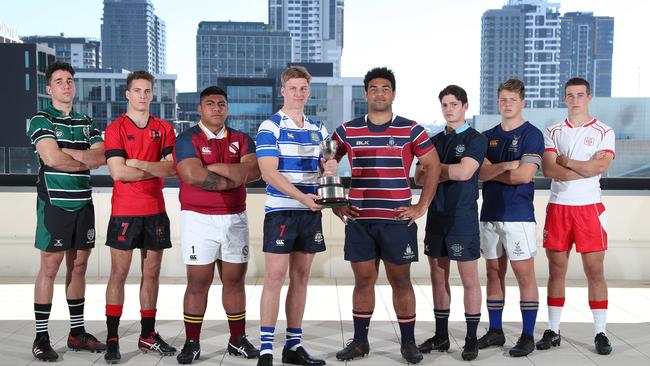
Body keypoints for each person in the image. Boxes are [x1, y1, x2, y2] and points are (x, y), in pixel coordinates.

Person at [331, 67, 441, 365]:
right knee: (363, 281)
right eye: (374, 88)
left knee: (401, 281)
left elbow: (433, 165)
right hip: (360, 218)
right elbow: (325, 160)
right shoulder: (347, 130)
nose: (379, 93)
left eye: (385, 88)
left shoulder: (411, 129)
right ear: (366, 94)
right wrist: (335, 201)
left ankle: (408, 343)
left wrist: (421, 206)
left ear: (393, 93)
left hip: (396, 219)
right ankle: (360, 343)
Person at [255, 66, 337, 366]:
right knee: (274, 278)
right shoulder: (270, 126)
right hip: (281, 212)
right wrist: (302, 197)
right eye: (293, 88)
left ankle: (293, 346)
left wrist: (329, 168)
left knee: (301, 278)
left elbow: (325, 166)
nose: (298, 93)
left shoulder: (319, 129)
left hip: (310, 212)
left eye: (303, 88)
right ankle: (266, 350)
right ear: (283, 90)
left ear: (309, 92)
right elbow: (268, 171)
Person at [173, 86, 261, 364]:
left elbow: (255, 171)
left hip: (235, 216)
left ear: (227, 108)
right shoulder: (187, 139)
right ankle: (192, 343)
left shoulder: (242, 138)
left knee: (235, 280)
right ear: (200, 109)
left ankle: (237, 340)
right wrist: (234, 174)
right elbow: (192, 175)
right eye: (209, 103)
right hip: (198, 218)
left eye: (221, 103)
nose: (216, 108)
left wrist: (213, 167)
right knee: (198, 281)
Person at [27, 60, 107, 362]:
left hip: (82, 203)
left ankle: (76, 333)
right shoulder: (41, 119)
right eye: (59, 81)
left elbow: (101, 158)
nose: (66, 85)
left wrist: (70, 154)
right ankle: (41, 337)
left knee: (79, 267)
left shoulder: (86, 121)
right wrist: (82, 158)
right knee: (49, 268)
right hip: (55, 205)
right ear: (49, 88)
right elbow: (51, 158)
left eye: (70, 80)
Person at [103, 70, 177, 363]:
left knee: (151, 274)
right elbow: (118, 171)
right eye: (137, 91)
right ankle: (112, 338)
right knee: (118, 275)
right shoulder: (115, 128)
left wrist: (137, 162)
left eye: (147, 91)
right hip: (125, 212)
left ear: (152, 94)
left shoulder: (164, 128)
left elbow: (172, 169)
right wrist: (152, 165)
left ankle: (147, 334)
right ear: (127, 94)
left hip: (155, 210)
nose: (143, 96)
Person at [537, 77, 615, 355]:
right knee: (556, 270)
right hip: (559, 207)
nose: (575, 100)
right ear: (564, 98)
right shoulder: (553, 130)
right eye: (570, 95)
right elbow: (548, 170)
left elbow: (601, 166)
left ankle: (601, 332)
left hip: (589, 208)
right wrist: (586, 167)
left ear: (589, 97)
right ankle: (554, 330)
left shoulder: (605, 131)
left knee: (595, 271)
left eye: (580, 95)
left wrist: (568, 161)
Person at [416, 85, 487, 361]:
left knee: (469, 279)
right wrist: (442, 172)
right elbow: (419, 179)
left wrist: (435, 170)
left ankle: (471, 339)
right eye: (444, 104)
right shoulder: (433, 140)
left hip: (462, 218)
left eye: (454, 104)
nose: (448, 109)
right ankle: (441, 336)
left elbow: (465, 172)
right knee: (437, 277)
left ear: (465, 106)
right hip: (436, 216)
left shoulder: (475, 139)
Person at [476, 79, 543, 357]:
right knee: (493, 272)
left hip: (518, 215)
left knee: (523, 274)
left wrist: (493, 170)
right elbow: (478, 173)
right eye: (503, 99)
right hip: (490, 212)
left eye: (512, 100)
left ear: (522, 103)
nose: (507, 104)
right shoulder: (486, 136)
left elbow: (525, 175)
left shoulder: (532, 134)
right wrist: (505, 167)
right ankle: (495, 331)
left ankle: (527, 335)